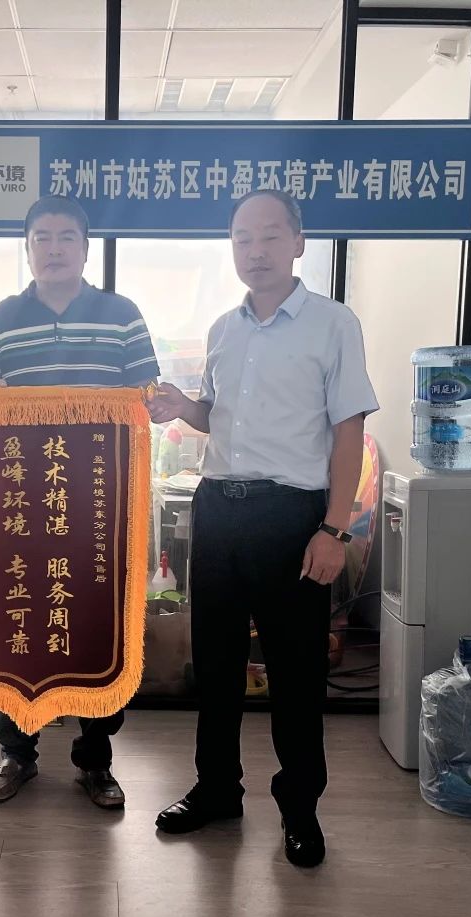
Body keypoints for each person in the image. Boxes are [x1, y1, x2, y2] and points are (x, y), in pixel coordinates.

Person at [146, 190, 378, 867]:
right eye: (243, 238)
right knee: (215, 665)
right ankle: (217, 789)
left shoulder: (334, 324)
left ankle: (300, 807)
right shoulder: (225, 329)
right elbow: (216, 416)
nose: (256, 250)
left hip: (292, 517)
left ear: (298, 243)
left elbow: (349, 433)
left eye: (271, 236)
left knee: (296, 672)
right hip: (218, 508)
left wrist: (334, 530)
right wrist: (182, 405)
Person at [0, 195, 160, 809]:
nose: (53, 249)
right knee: (16, 621)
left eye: (66, 238)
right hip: (20, 502)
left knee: (97, 626)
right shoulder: (2, 318)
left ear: (84, 247)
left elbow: (147, 400)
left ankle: (95, 761)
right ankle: (15, 753)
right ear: (27, 249)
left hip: (99, 503)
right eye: (41, 238)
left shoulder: (121, 315)